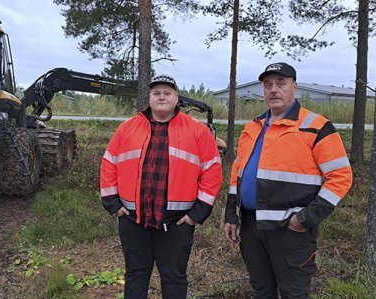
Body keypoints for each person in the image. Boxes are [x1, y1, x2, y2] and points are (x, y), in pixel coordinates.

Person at [223, 62, 353, 298]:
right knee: (261, 290)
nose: (274, 90)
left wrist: (304, 219)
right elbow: (237, 173)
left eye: (280, 84)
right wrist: (231, 214)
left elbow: (341, 177)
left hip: (290, 229)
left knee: (293, 292)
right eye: (268, 85)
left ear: (294, 87)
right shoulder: (253, 127)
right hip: (252, 226)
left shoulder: (316, 126)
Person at [100, 74, 222, 299]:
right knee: (136, 275)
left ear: (177, 98)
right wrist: (112, 203)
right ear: (150, 97)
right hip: (133, 221)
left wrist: (197, 214)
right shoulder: (127, 127)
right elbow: (109, 162)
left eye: (167, 93)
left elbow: (212, 171)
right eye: (157, 93)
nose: (161, 97)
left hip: (177, 223)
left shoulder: (198, 131)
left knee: (174, 278)